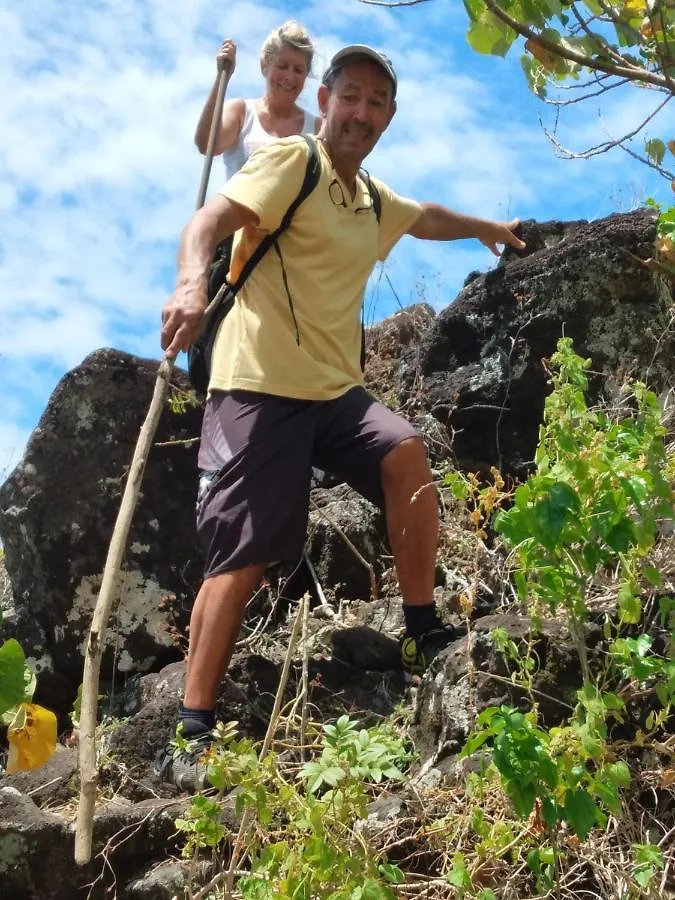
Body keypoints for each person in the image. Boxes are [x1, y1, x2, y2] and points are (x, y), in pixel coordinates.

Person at [157, 44, 526, 790]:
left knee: (405, 455)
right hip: (257, 383)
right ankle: (191, 727)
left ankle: (421, 627)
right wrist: (191, 287)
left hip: (333, 391)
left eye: (375, 102)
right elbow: (206, 221)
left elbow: (426, 217)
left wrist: (486, 226)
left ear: (388, 117)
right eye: (349, 96)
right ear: (324, 100)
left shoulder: (371, 200)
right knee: (242, 552)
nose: (360, 112)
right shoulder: (291, 163)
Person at [194, 21, 321, 179]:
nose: (289, 77)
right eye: (282, 66)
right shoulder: (242, 112)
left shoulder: (317, 129)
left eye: (298, 70)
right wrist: (222, 78)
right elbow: (207, 145)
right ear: (265, 65)